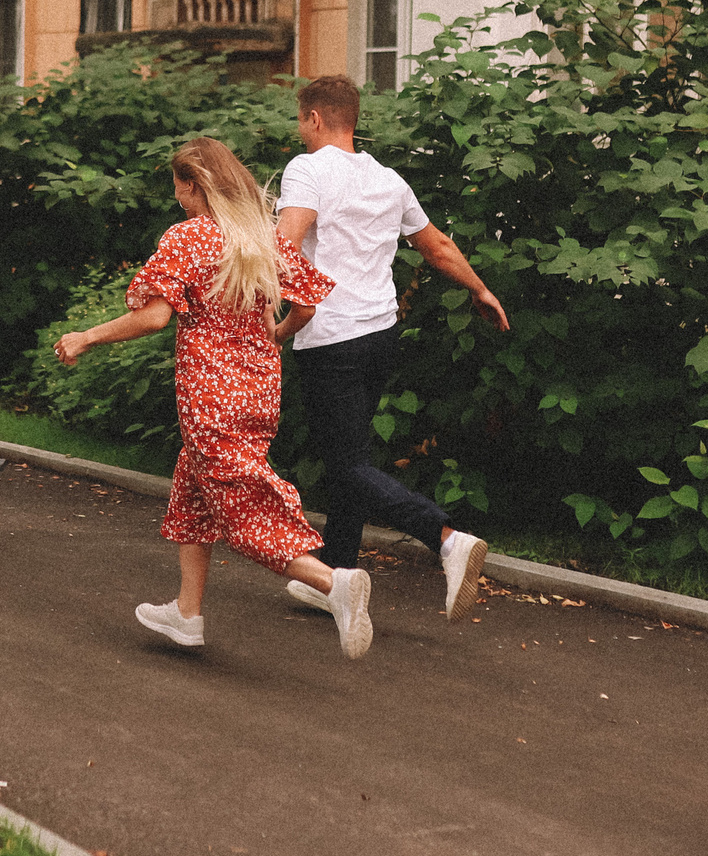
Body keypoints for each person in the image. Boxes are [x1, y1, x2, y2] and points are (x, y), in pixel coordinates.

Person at [55, 137, 377, 659]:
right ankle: (186, 614)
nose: (177, 198)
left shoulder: (187, 240)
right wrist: (274, 333)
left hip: (210, 396)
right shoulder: (259, 239)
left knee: (243, 510)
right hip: (257, 391)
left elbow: (156, 316)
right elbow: (308, 307)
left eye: (179, 187)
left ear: (194, 187)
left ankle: (331, 583)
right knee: (195, 490)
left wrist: (86, 337)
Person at [276, 75, 508, 621]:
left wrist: (273, 314)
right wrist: (479, 288)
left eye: (300, 119)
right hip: (380, 335)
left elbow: (285, 241)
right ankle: (333, 578)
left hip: (330, 339)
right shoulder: (387, 179)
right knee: (351, 460)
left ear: (313, 118)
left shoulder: (306, 169)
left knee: (348, 464)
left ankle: (447, 538)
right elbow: (438, 247)